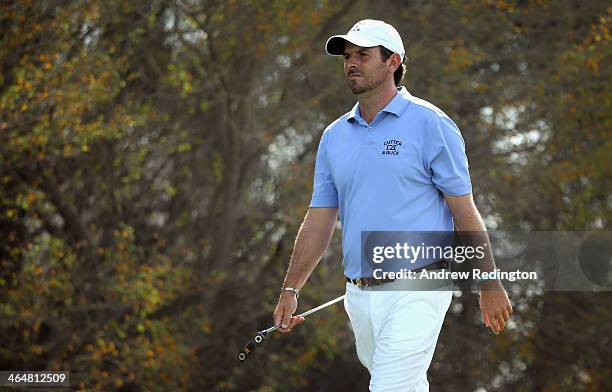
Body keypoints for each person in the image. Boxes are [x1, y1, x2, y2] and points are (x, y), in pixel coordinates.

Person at [273, 19, 512, 391]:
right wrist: (291, 289)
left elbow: (463, 210)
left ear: (392, 61)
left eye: (363, 55)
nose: (352, 63)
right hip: (358, 296)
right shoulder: (334, 137)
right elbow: (319, 219)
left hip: (419, 287)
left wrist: (488, 281)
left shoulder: (431, 124)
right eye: (348, 56)